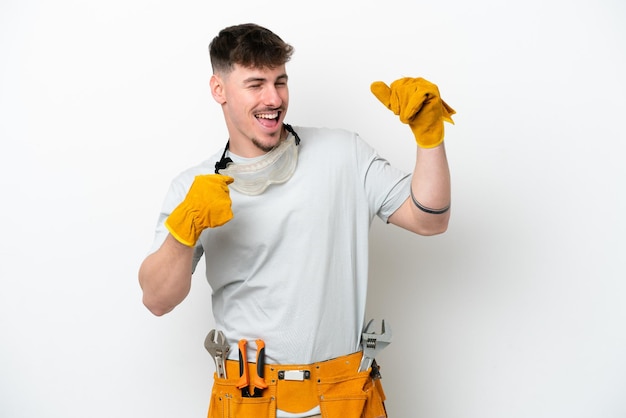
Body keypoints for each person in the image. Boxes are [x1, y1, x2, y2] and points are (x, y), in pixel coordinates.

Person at [138, 22, 455, 418]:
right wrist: (183, 229)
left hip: (344, 395)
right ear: (219, 89)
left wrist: (430, 138)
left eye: (280, 81)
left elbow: (430, 219)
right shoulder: (194, 188)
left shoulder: (344, 154)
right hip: (249, 398)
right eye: (255, 84)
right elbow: (157, 299)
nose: (273, 99)